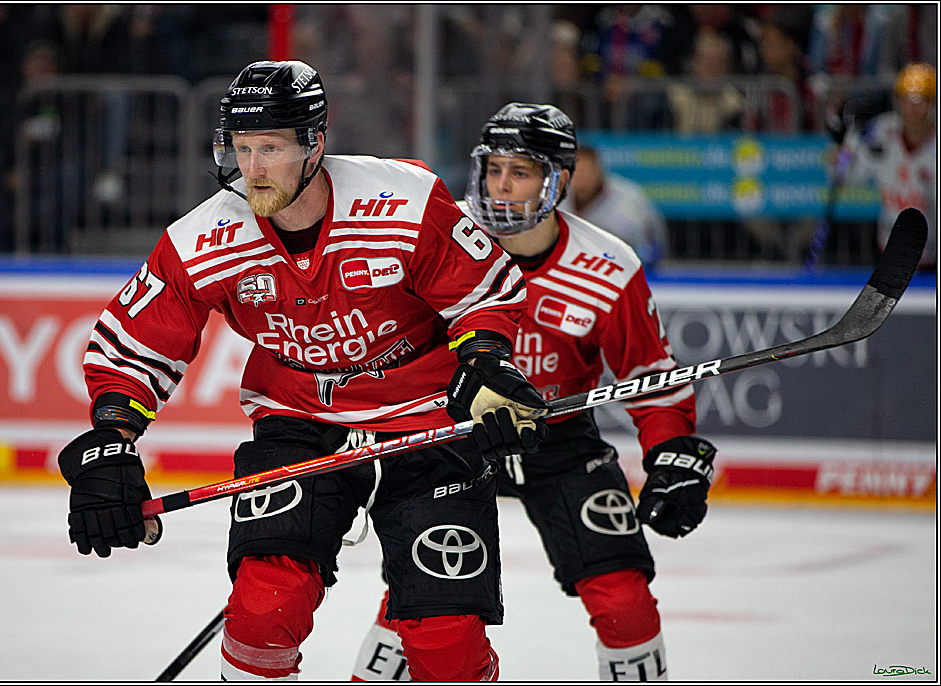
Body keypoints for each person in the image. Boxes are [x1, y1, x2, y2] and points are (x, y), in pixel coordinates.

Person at [55, 60, 550, 682]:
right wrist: (111, 439)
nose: (253, 167)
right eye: (242, 147)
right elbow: (134, 343)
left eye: (271, 147)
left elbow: (483, 289)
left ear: (315, 144)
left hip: (426, 418)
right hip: (299, 418)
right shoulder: (203, 236)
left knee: (445, 638)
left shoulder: (401, 199)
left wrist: (486, 365)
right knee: (264, 610)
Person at [350, 103, 717, 682]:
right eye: (494, 169)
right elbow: (375, 348)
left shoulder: (608, 266)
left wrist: (670, 454)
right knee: (421, 607)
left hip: (559, 437)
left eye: (520, 171)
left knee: (623, 595)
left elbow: (652, 380)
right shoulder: (437, 241)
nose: (501, 186)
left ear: (560, 180)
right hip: (453, 437)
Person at [835, 62, 936, 270]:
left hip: (932, 256)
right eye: (907, 100)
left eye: (921, 101)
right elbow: (850, 176)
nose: (913, 108)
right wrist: (847, 147)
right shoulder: (881, 131)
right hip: (888, 251)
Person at [561, 146, 669, 271]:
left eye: (587, 171)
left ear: (598, 170)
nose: (581, 177)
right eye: (577, 171)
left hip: (623, 271)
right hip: (569, 271)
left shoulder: (629, 199)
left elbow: (652, 244)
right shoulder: (557, 199)